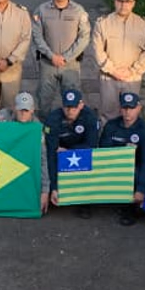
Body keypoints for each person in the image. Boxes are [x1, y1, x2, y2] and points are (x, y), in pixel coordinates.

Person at [31, 0, 90, 119]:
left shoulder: (79, 11)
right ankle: (44, 128)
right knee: (44, 100)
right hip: (48, 64)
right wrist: (51, 56)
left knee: (72, 101)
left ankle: (70, 128)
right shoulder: (41, 10)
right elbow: (37, 36)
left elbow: (84, 37)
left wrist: (66, 57)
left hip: (70, 65)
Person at [91, 0, 145, 121]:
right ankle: (107, 134)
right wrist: (113, 70)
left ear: (133, 3)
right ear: (115, 1)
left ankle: (129, 135)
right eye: (120, 1)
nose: (123, 5)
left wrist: (132, 70)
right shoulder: (103, 23)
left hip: (132, 77)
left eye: (128, 1)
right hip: (109, 78)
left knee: (130, 115)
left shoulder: (144, 25)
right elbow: (98, 51)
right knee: (108, 114)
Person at [99, 91, 145, 226]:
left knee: (141, 173)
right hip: (115, 165)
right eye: (125, 108)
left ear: (139, 108)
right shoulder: (111, 126)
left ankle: (132, 207)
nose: (128, 112)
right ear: (120, 108)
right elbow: (103, 152)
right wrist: (124, 150)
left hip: (136, 168)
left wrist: (141, 189)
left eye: (131, 108)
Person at [45, 89, 100, 217]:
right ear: (62, 106)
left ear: (81, 105)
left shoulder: (90, 117)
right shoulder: (53, 119)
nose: (70, 111)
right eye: (67, 107)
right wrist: (53, 187)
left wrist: (69, 152)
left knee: (89, 159)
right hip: (59, 153)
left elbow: (91, 146)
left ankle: (85, 201)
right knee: (49, 159)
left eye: (74, 107)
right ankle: (54, 192)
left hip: (78, 152)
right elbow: (51, 153)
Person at [0, 92, 50, 213]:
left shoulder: (37, 129)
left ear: (32, 110)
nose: (23, 113)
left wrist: (45, 191)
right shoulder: (5, 119)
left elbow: (42, 159)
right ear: (14, 109)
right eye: (20, 110)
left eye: (26, 110)